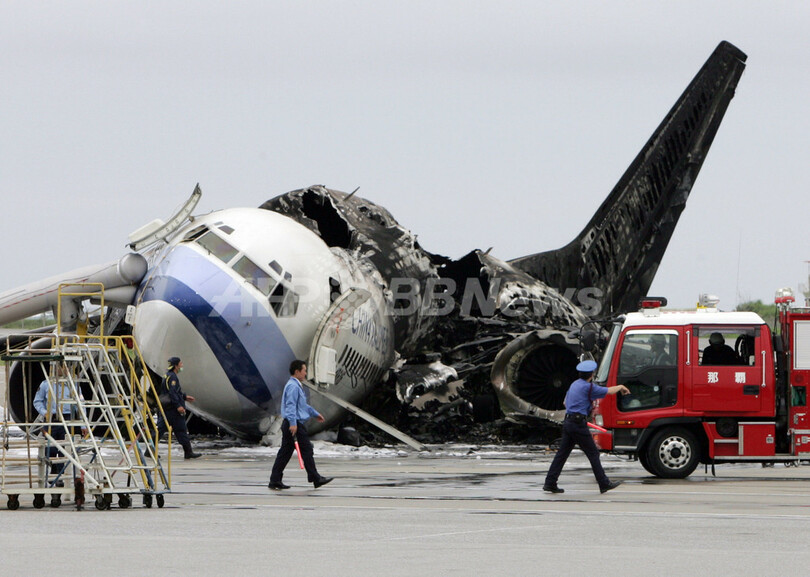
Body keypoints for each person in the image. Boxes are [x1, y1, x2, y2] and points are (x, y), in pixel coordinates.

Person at [543, 360, 630, 494]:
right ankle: (604, 483)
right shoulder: (589, 388)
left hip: (568, 422)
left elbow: (565, 402)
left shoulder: (574, 385)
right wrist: (621, 387)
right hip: (578, 424)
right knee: (593, 453)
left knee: (562, 455)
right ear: (592, 375)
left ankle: (550, 483)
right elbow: (609, 391)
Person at [268, 360, 333, 490]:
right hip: (294, 424)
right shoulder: (293, 386)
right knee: (306, 449)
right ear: (297, 372)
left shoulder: (296, 385)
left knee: (285, 452)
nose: (305, 373)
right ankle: (315, 477)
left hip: (292, 423)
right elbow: (291, 406)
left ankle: (275, 480)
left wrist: (315, 413)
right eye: (304, 370)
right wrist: (293, 423)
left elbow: (302, 406)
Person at [33, 363, 74, 483]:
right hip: (51, 418)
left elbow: (79, 405)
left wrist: (82, 424)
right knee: (49, 449)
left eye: (65, 367)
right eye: (60, 367)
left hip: (66, 418)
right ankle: (54, 467)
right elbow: (37, 401)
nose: (62, 370)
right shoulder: (46, 384)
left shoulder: (72, 384)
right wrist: (44, 412)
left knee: (64, 448)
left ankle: (60, 476)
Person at [156, 356, 201, 459]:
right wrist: (178, 406)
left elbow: (171, 392)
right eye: (180, 364)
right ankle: (188, 452)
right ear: (176, 366)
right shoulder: (173, 377)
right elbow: (172, 393)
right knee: (181, 429)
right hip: (173, 409)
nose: (182, 366)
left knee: (160, 429)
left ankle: (150, 450)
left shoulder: (167, 375)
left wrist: (184, 397)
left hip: (166, 408)